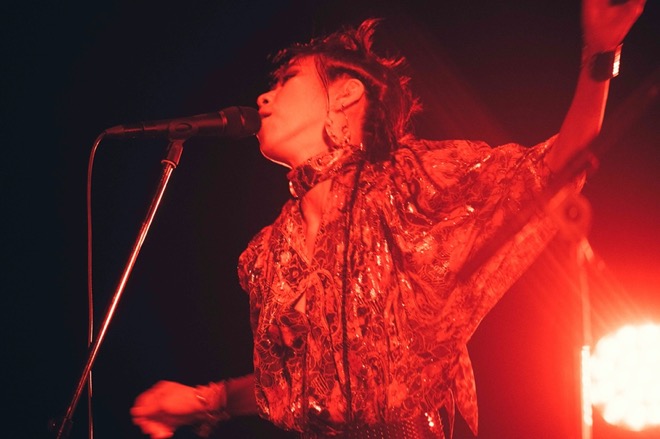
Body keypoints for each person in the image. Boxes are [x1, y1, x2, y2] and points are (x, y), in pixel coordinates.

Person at [130, 1, 645, 438]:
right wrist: (206, 400)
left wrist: (599, 55)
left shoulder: (409, 183)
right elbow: (291, 390)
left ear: (347, 94)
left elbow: (553, 169)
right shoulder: (269, 253)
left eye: (288, 79)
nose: (264, 96)